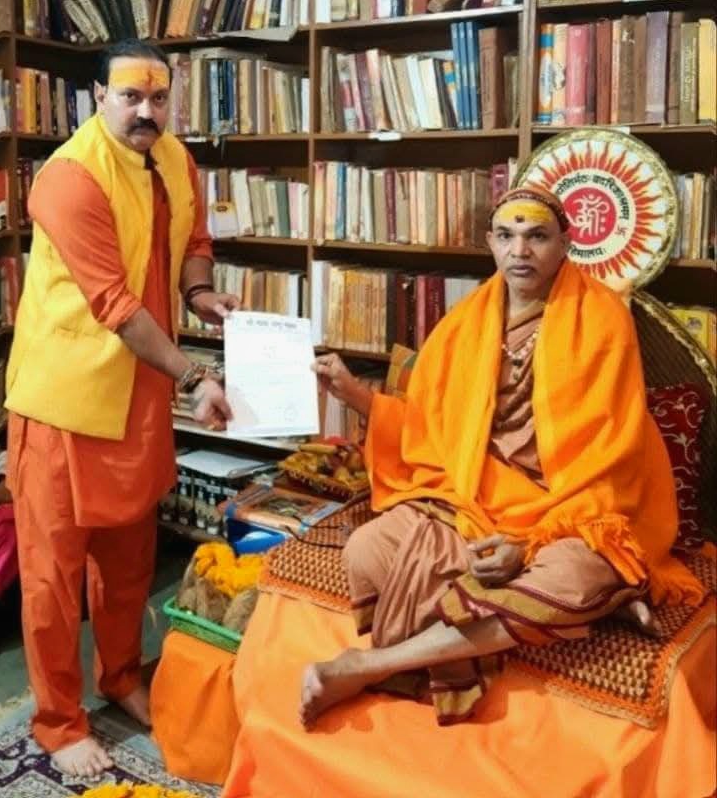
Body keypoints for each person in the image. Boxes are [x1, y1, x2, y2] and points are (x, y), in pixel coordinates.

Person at [301, 185, 705, 727]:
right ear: (490, 243)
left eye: (537, 236)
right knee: (367, 549)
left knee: (572, 577)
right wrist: (356, 395)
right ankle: (605, 604)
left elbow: (611, 455)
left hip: (570, 512)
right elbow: (431, 430)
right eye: (507, 236)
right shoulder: (464, 323)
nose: (521, 251)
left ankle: (369, 665)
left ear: (565, 243)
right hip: (475, 500)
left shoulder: (603, 319)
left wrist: (526, 545)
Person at [4, 40, 238, 777]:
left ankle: (122, 677)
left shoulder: (175, 158)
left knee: (129, 560)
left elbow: (194, 238)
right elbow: (115, 304)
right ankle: (57, 721)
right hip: (65, 402)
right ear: (98, 96)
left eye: (158, 98)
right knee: (52, 578)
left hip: (138, 395)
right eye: (130, 96)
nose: (146, 112)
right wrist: (195, 374)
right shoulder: (67, 179)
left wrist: (199, 292)